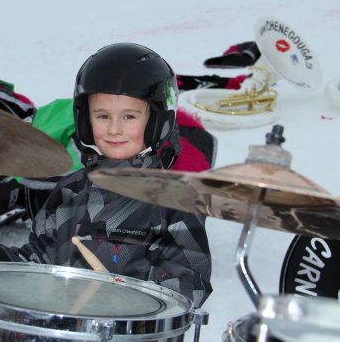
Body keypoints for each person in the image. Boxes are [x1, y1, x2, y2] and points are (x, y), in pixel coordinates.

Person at [14, 42, 213, 307]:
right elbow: (38, 256)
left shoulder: (175, 202)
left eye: (129, 117)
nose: (114, 129)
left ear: (156, 123)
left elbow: (190, 282)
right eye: (102, 116)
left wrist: (131, 290)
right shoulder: (69, 191)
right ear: (85, 120)